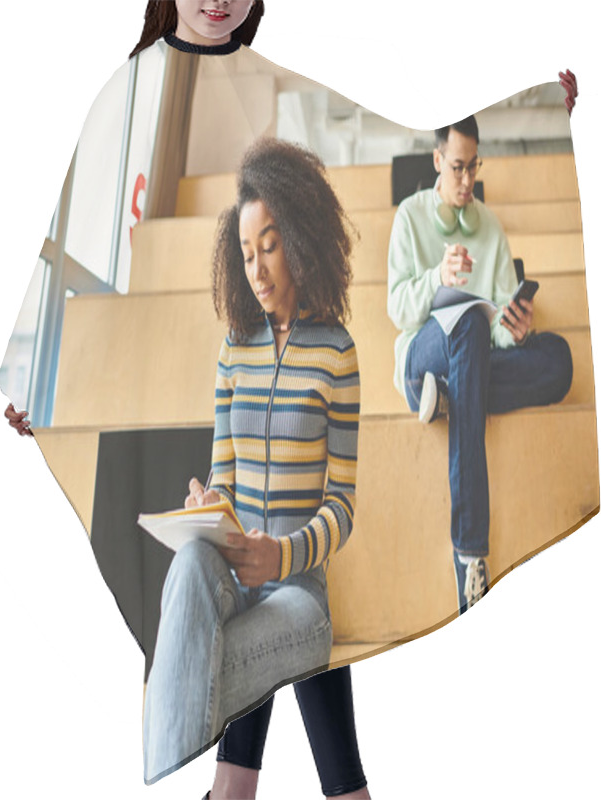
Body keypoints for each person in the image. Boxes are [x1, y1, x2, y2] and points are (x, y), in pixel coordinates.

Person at [141, 136, 364, 789]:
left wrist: (282, 557)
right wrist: (206, 509)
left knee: (209, 676)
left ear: (299, 236)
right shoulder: (233, 351)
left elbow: (342, 505)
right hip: (233, 588)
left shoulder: (336, 352)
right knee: (187, 561)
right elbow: (226, 478)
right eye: (246, 254)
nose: (258, 268)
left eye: (268, 246)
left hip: (298, 596)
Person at [386, 113, 574, 615]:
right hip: (420, 359)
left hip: (471, 359)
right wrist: (436, 278)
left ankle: (453, 393)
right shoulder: (408, 216)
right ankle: (469, 553)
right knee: (464, 322)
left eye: (473, 167)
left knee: (557, 358)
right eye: (457, 167)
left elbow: (491, 324)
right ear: (436, 162)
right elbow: (399, 310)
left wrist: (512, 328)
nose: (467, 180)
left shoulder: (490, 228)